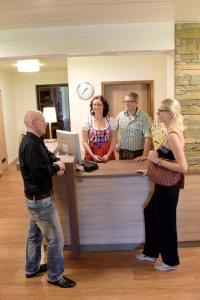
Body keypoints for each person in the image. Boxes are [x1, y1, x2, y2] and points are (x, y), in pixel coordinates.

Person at [19, 110, 76, 288]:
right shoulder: (31, 145)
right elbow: (38, 174)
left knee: (34, 236)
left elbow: (48, 156)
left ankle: (32, 268)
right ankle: (55, 276)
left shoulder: (36, 141)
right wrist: (54, 168)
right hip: (40, 201)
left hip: (35, 200)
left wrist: (56, 161)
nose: (45, 123)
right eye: (43, 121)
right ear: (34, 123)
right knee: (56, 240)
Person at [135, 98, 188, 271]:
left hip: (168, 187)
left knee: (166, 222)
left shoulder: (173, 136)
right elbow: (168, 157)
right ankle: (151, 252)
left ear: (170, 113)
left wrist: (156, 161)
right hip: (162, 183)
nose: (157, 113)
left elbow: (183, 167)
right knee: (149, 212)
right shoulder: (170, 131)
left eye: (160, 111)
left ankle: (171, 261)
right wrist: (150, 169)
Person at [116, 92, 152, 161]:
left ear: (136, 102)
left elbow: (148, 137)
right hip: (123, 152)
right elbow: (114, 131)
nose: (126, 103)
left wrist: (144, 155)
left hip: (138, 153)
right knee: (123, 171)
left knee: (135, 172)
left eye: (130, 101)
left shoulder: (144, 117)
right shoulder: (120, 115)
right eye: (125, 101)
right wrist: (117, 143)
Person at [82, 95, 117, 162]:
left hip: (107, 151)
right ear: (92, 106)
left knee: (109, 171)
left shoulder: (111, 120)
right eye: (94, 104)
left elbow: (114, 139)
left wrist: (108, 154)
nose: (96, 107)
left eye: (100, 105)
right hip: (92, 151)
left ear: (104, 106)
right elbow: (84, 141)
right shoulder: (87, 121)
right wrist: (92, 155)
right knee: (93, 171)